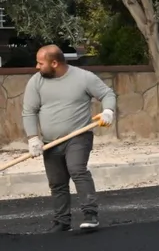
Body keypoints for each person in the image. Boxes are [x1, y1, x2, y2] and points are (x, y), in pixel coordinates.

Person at [22, 45, 116, 232]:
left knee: (77, 169)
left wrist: (108, 111)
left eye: (40, 63)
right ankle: (62, 221)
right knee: (57, 181)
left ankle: (90, 215)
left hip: (78, 136)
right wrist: (33, 138)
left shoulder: (83, 77)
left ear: (54, 63)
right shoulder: (36, 81)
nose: (36, 66)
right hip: (50, 142)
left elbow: (107, 94)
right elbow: (29, 111)